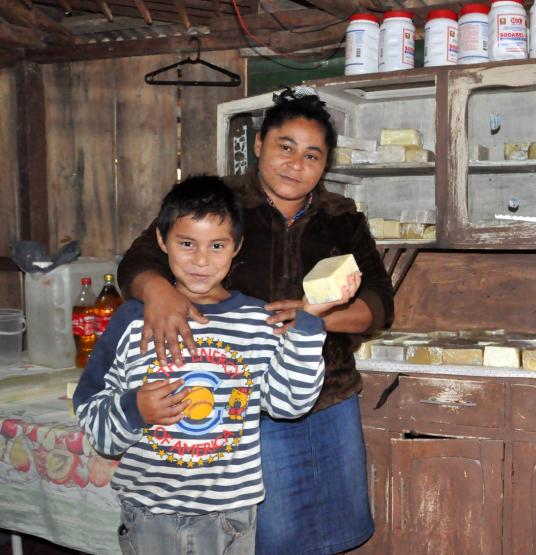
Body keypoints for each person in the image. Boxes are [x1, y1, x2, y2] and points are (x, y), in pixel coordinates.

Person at [116, 88, 394, 554]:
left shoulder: (342, 218)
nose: (295, 163)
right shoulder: (220, 204)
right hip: (241, 404)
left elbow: (380, 304)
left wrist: (316, 319)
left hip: (331, 395)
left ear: (325, 164)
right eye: (285, 147)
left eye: (312, 154)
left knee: (331, 533)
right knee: (267, 538)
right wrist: (159, 292)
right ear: (260, 143)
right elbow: (139, 260)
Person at [73, 175, 354, 554]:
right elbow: (94, 419)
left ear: (236, 247)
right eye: (186, 243)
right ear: (161, 240)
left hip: (231, 517)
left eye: (217, 245)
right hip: (149, 516)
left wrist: (308, 323)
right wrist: (134, 409)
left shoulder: (259, 322)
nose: (201, 261)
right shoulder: (132, 321)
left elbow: (289, 405)